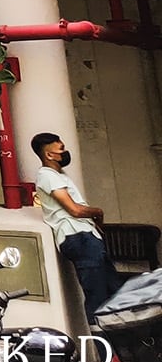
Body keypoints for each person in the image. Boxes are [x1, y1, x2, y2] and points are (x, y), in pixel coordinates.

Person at [31, 132, 118, 317]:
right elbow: (74, 210)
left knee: (113, 290)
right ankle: (100, 345)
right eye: (61, 149)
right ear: (49, 155)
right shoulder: (47, 175)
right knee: (97, 297)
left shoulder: (59, 175)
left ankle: (121, 342)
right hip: (77, 236)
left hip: (86, 235)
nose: (65, 152)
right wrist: (98, 212)